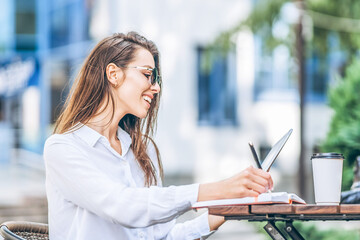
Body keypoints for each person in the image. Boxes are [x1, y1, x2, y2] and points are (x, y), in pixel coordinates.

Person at [43, 32, 273, 240]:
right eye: (147, 75)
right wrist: (217, 189)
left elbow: (159, 237)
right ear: (113, 74)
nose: (156, 88)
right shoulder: (63, 149)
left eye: (156, 79)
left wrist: (226, 209)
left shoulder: (142, 151)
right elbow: (123, 206)